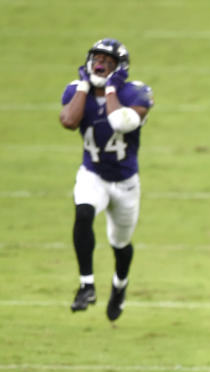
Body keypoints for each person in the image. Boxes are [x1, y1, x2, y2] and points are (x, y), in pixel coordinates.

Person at [59, 38, 154, 321]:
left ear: (120, 67)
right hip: (93, 173)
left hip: (125, 182)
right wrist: (86, 88)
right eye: (97, 59)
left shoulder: (137, 92)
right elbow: (68, 121)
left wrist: (110, 87)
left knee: (120, 244)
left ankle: (119, 286)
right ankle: (86, 284)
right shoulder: (76, 90)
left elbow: (119, 123)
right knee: (83, 211)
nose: (100, 65)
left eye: (108, 62)